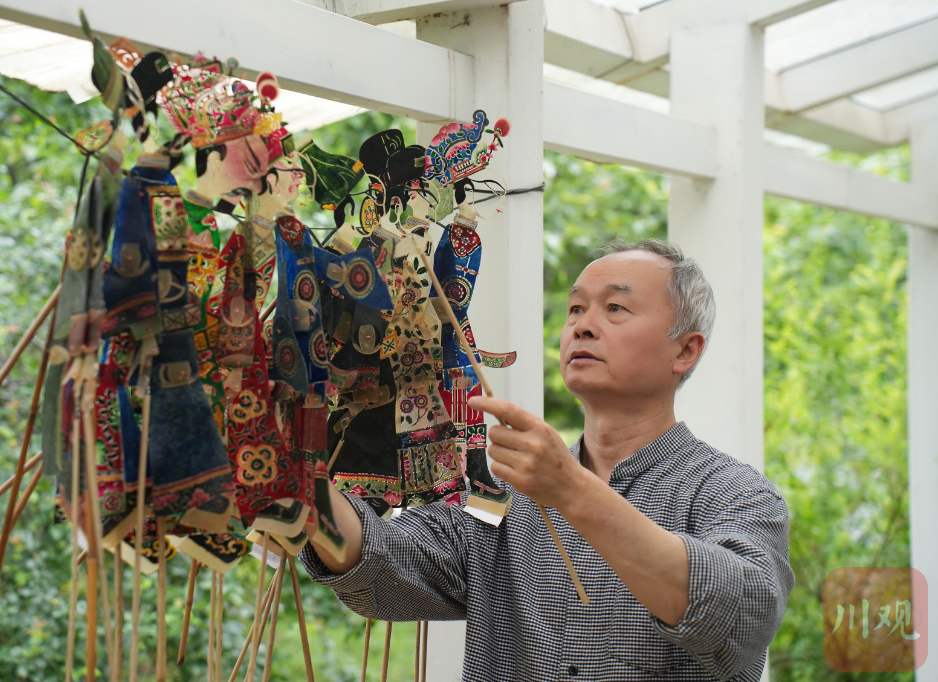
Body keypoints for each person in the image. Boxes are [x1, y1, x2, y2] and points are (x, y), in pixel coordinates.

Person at [300, 239, 794, 681]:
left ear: (685, 351)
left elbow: (740, 615)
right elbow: (382, 560)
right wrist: (299, 470)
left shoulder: (734, 492)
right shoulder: (501, 491)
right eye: (575, 308)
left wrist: (572, 490)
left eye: (615, 307)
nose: (582, 325)